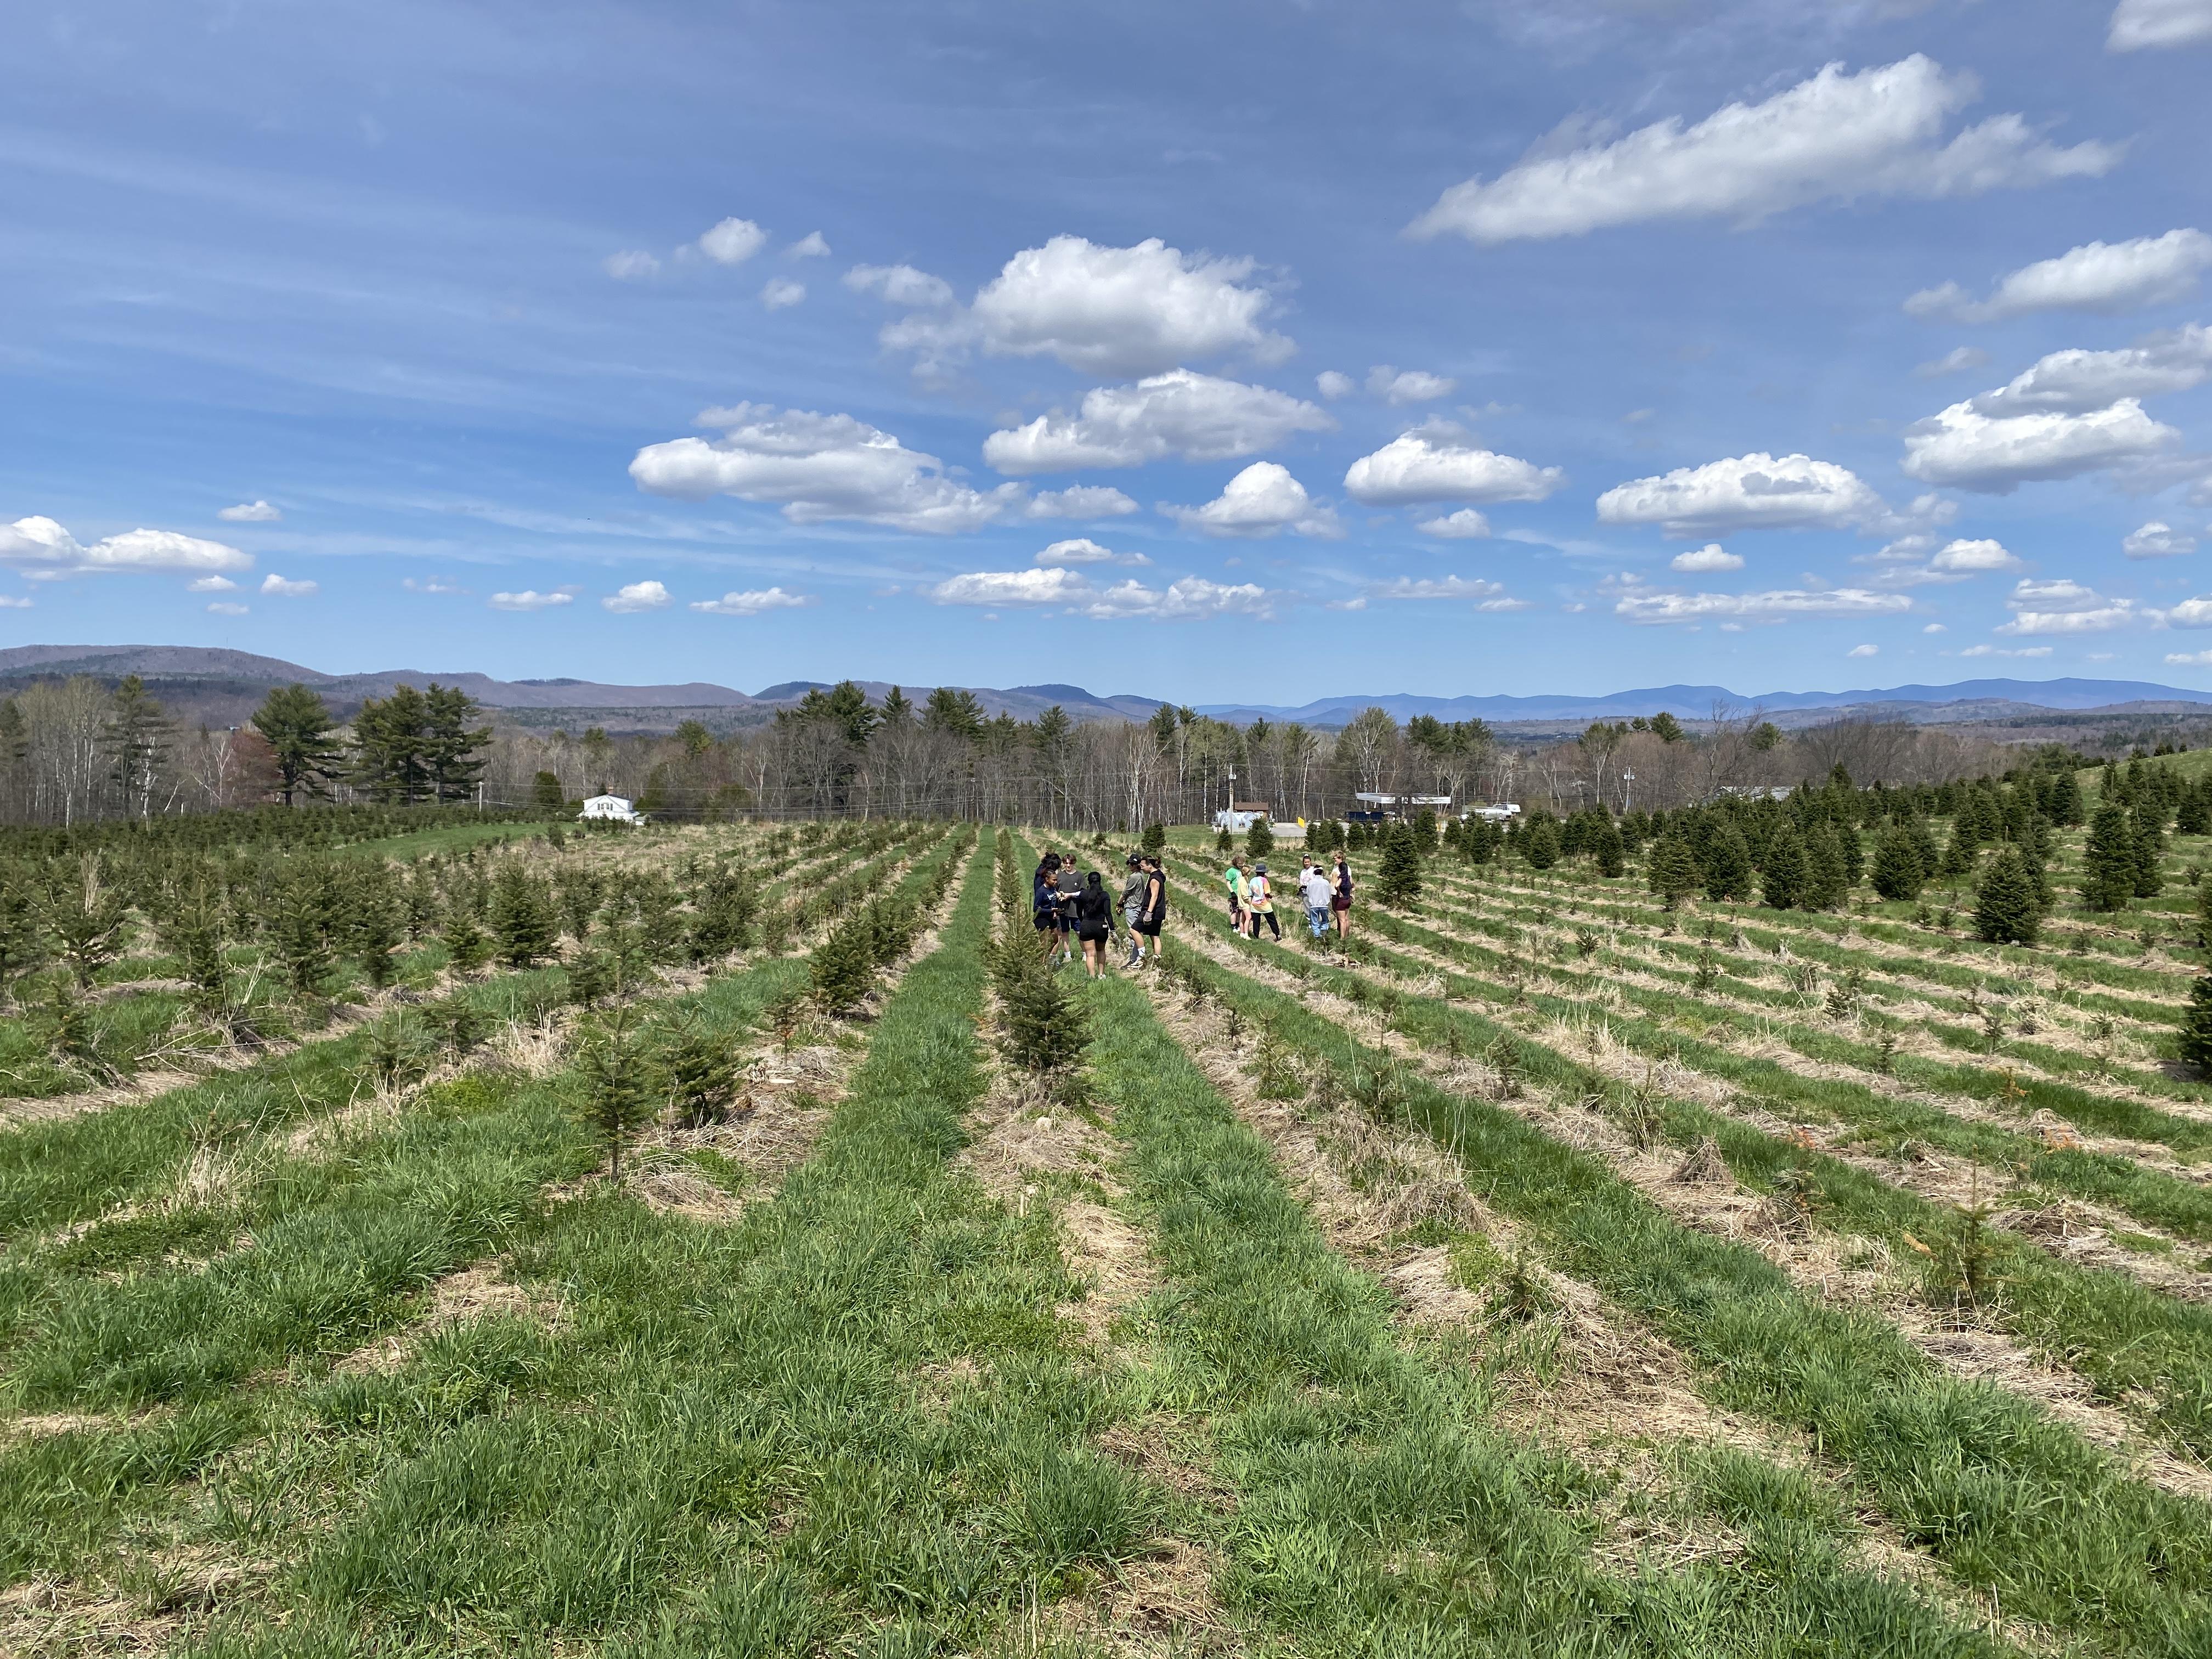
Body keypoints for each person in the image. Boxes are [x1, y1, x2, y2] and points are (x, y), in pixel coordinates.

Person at [1073, 868, 1117, 979]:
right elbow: (1108, 913)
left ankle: (1092, 977)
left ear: (1089, 882)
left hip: (1087, 925)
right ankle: (1101, 974)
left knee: (1090, 954)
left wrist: (1083, 921)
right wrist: (1112, 929)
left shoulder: (1083, 894)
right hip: (1101, 926)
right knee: (1101, 950)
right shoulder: (1105, 895)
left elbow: (1078, 911)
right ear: (1100, 882)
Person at [1134, 855, 1166, 964]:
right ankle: (1157, 961)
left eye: (1143, 866)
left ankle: (1141, 957)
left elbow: (1154, 896)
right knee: (1155, 936)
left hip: (1152, 911)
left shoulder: (1154, 879)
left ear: (1150, 865)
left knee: (1134, 930)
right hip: (1159, 911)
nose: (1141, 868)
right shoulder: (1159, 875)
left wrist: (1148, 913)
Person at [1032, 854, 1064, 961]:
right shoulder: (1042, 887)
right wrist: (1050, 909)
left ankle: (1047, 959)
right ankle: (1042, 962)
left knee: (1055, 938)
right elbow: (1037, 907)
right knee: (1045, 942)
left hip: (1051, 913)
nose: (1056, 882)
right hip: (1043, 914)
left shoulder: (1049, 884)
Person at [1056, 849, 1084, 964]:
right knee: (1064, 932)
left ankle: (1085, 954)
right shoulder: (1060, 876)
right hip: (1062, 909)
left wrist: (1070, 895)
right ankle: (1068, 956)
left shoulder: (1080, 876)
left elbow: (1082, 892)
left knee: (1078, 932)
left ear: (1074, 863)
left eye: (1070, 863)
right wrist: (1059, 895)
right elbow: (1054, 890)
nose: (1068, 865)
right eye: (1066, 863)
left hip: (1075, 909)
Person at [1120, 853, 1148, 968]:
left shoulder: (1134, 877)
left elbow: (1126, 892)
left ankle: (1136, 960)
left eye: (1132, 864)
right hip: (1138, 905)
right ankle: (1136, 958)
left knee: (1133, 933)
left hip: (1132, 906)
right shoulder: (1141, 876)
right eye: (1130, 863)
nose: (1130, 865)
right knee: (1136, 932)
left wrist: (1119, 902)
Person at [1299, 856, 1333, 938]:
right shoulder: (1326, 882)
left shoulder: (1311, 883)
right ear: (1322, 873)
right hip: (1324, 905)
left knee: (1315, 921)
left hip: (1314, 905)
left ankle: (1317, 935)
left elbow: (1309, 893)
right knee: (1325, 920)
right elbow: (1329, 893)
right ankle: (1324, 932)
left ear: (1314, 873)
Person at [1246, 860, 1280, 940]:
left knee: (1256, 922)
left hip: (1255, 904)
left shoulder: (1252, 880)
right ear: (1264, 872)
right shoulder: (1265, 880)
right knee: (1272, 920)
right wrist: (1271, 897)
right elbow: (1267, 893)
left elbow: (1251, 893)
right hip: (1265, 904)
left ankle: (1256, 936)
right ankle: (1277, 935)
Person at [1331, 851, 1354, 941]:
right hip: (1346, 896)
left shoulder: (1342, 869)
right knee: (1345, 918)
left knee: (1342, 918)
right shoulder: (1341, 868)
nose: (1334, 859)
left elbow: (1337, 885)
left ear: (1341, 858)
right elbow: (1352, 883)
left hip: (1339, 896)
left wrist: (1339, 892)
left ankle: (1342, 937)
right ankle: (1346, 935)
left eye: (1336, 857)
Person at [1224, 857, 1247, 935]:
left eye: (1242, 864)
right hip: (1234, 895)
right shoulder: (1230, 872)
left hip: (1241, 895)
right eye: (1239, 864)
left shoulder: (1241, 871)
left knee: (1239, 911)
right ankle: (1234, 926)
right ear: (1235, 864)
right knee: (1234, 911)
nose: (1241, 865)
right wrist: (1232, 892)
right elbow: (1228, 883)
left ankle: (1238, 925)